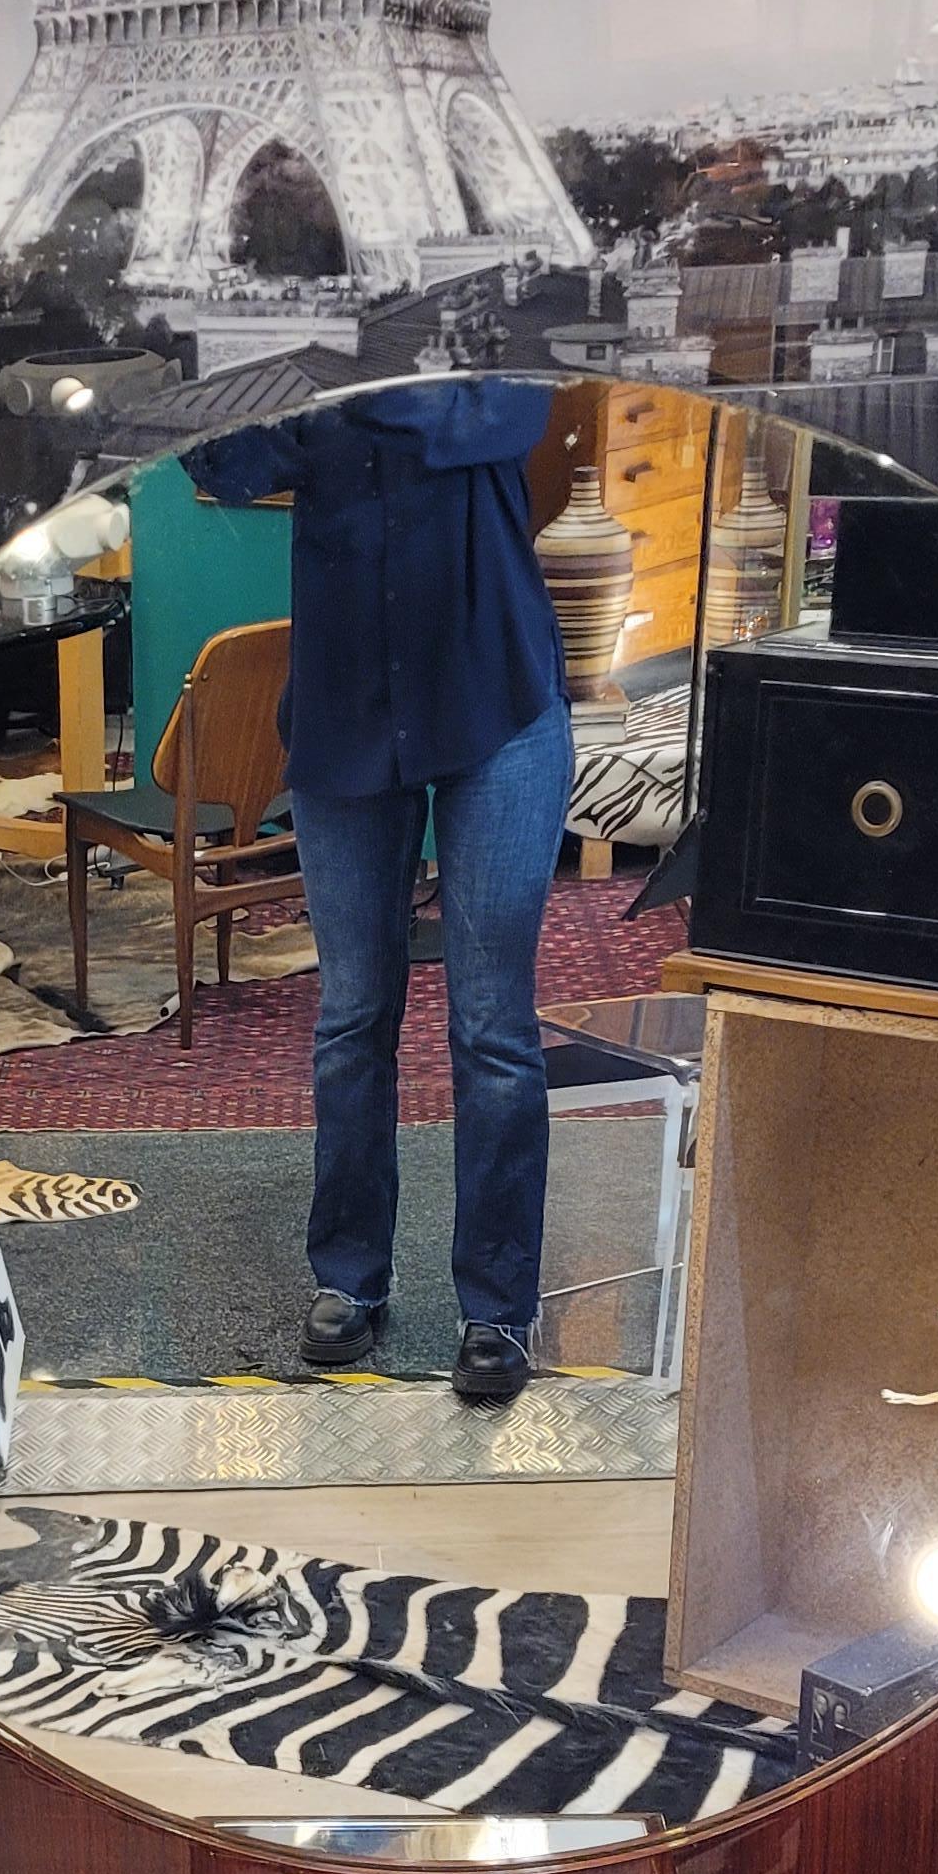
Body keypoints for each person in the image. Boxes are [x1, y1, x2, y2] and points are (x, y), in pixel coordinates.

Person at [183, 380, 572, 1402]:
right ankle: (348, 1281)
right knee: (352, 1018)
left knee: (494, 1028)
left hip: (500, 704)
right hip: (348, 716)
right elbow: (229, 466)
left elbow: (502, 419)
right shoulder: (304, 368)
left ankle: (498, 1307)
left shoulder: (475, 339)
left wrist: (332, 402)